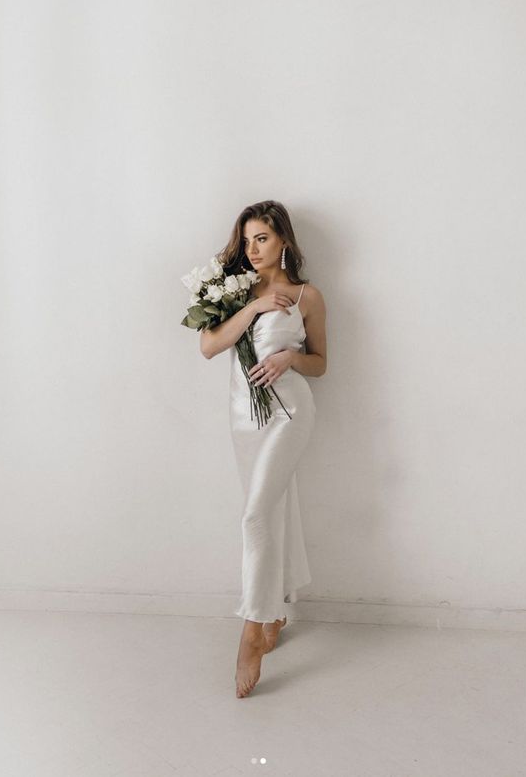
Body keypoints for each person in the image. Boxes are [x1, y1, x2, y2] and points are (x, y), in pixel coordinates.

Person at [200, 200, 327, 698]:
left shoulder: (306, 296)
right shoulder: (231, 292)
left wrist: (292, 358)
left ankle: (253, 630)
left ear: (284, 242)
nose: (253, 250)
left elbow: (322, 364)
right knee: (274, 511)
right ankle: (276, 609)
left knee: (255, 517)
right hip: (243, 421)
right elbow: (210, 347)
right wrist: (251, 306)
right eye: (248, 240)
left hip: (289, 414)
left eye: (263, 240)